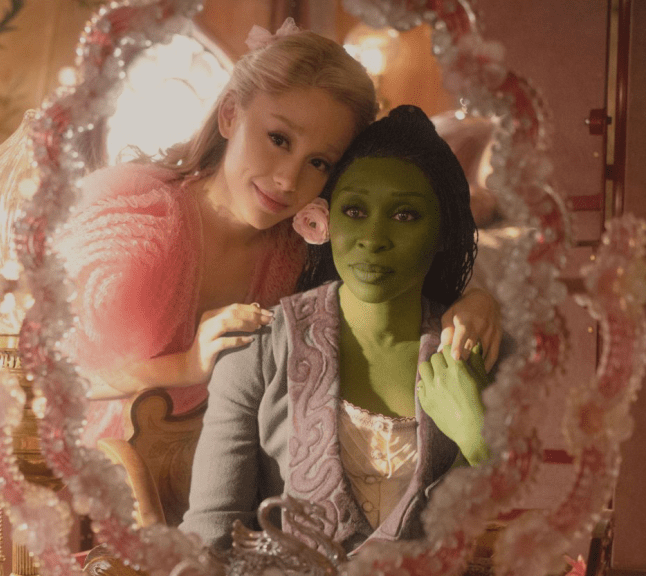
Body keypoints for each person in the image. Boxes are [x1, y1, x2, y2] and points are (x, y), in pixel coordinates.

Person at [57, 19, 501, 445]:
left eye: (319, 162)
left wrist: (477, 303)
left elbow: (409, 289)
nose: (288, 180)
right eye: (279, 139)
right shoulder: (131, 217)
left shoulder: (304, 247)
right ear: (230, 115)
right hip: (92, 466)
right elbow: (44, 374)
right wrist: (184, 366)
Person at [180, 105, 491, 555]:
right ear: (323, 220)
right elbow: (209, 537)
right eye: (354, 210)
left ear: (443, 230)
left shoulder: (477, 348)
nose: (373, 239)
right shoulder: (257, 350)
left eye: (405, 215)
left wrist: (480, 441)